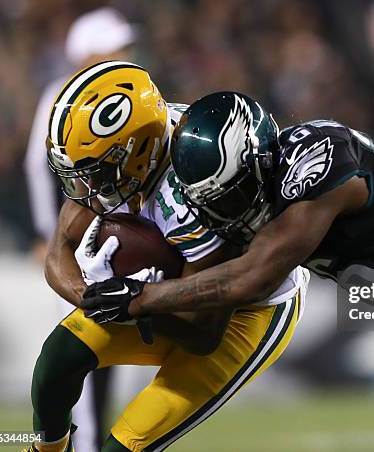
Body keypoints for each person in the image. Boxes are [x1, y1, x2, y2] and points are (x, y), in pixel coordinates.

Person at [83, 91, 374, 451]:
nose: (221, 212)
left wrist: (141, 298)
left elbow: (253, 277)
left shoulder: (320, 162)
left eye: (225, 195)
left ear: (255, 163)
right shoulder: (260, 190)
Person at [25, 68, 308, 452]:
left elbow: (203, 332)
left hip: (244, 310)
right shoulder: (135, 144)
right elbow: (58, 248)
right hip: (161, 296)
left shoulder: (197, 183)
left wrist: (136, 301)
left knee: (125, 446)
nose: (88, 190)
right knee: (56, 361)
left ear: (136, 152)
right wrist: (92, 294)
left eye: (100, 172)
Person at [23, 8, 137, 450]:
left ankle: (88, 439)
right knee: (85, 345)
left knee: (107, 345)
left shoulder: (114, 95)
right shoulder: (62, 94)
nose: (126, 52)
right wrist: (44, 234)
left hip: (110, 234)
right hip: (81, 240)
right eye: (117, 45)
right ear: (88, 52)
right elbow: (38, 166)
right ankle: (83, 443)